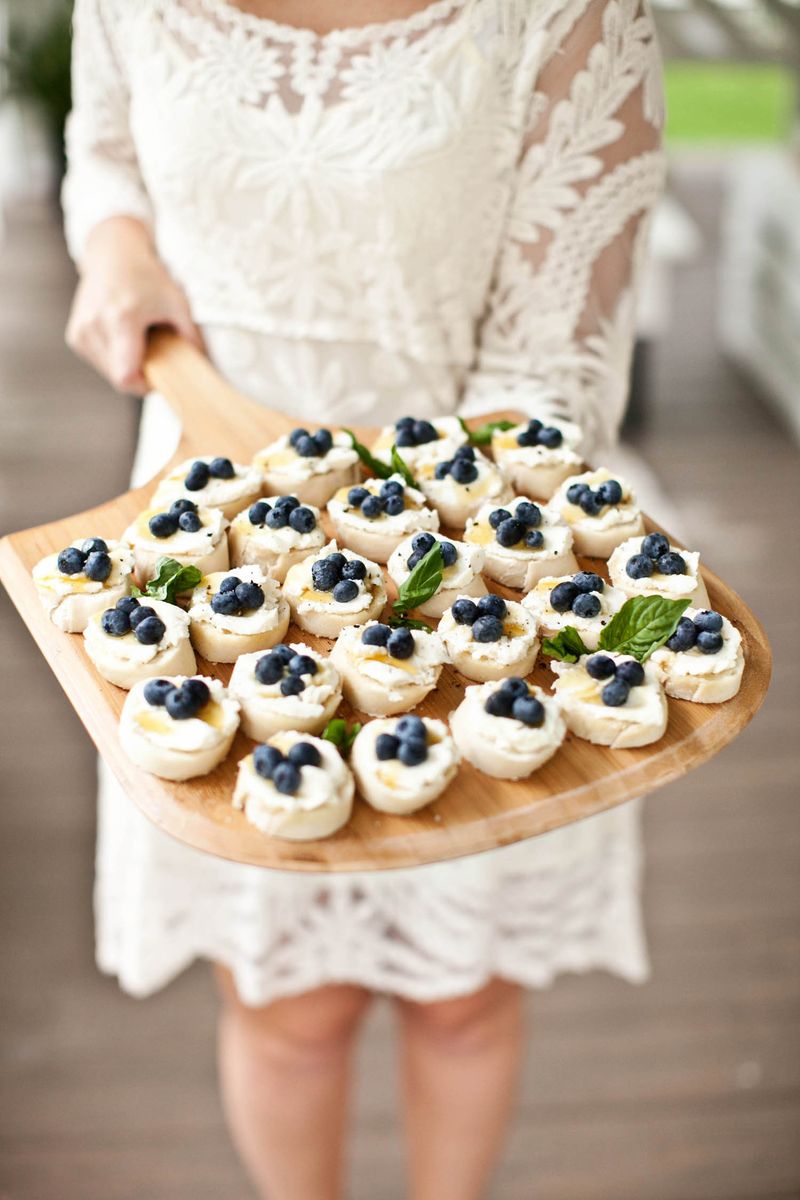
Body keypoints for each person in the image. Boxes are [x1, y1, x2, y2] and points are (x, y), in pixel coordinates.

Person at [63, 2, 665, 1197]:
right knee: (285, 1004)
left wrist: (377, 554)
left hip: (474, 572)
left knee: (461, 999)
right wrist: (119, 246)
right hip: (208, 558)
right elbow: (107, 150)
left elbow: (554, 377)